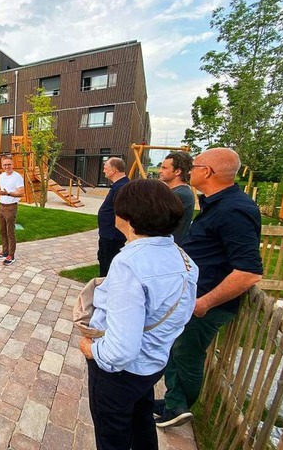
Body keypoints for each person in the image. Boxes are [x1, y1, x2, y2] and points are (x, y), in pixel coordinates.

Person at [79, 179, 198, 450]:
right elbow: (183, 314)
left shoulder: (129, 264)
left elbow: (121, 350)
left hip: (119, 373)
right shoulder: (182, 257)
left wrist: (91, 350)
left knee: (113, 435)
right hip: (152, 363)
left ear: (129, 217)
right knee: (141, 421)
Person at [156, 148, 263, 428]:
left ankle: (178, 407)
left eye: (196, 165)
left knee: (186, 353)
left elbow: (248, 271)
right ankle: (172, 400)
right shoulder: (217, 204)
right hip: (193, 296)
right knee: (176, 350)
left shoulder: (234, 210)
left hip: (206, 302)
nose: (190, 169)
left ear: (208, 172)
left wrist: (204, 303)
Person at [96, 157, 129, 277]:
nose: (103, 171)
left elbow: (121, 213)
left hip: (112, 235)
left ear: (114, 170)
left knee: (109, 262)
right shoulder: (118, 185)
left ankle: (107, 287)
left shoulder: (122, 187)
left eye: (105, 168)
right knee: (103, 258)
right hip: (107, 233)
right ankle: (103, 283)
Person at [0, 155, 25, 266]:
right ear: (2, 166)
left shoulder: (17, 177)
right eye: (5, 165)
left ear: (13, 165)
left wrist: (8, 193)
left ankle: (11, 255)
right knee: (2, 230)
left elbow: (21, 192)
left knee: (10, 232)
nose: (7, 166)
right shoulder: (1, 175)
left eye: (9, 164)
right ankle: (4, 251)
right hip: (1, 206)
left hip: (11, 207)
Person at [158, 151, 194, 245]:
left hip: (168, 246)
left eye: (164, 168)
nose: (159, 171)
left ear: (177, 171)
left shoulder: (179, 194)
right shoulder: (179, 192)